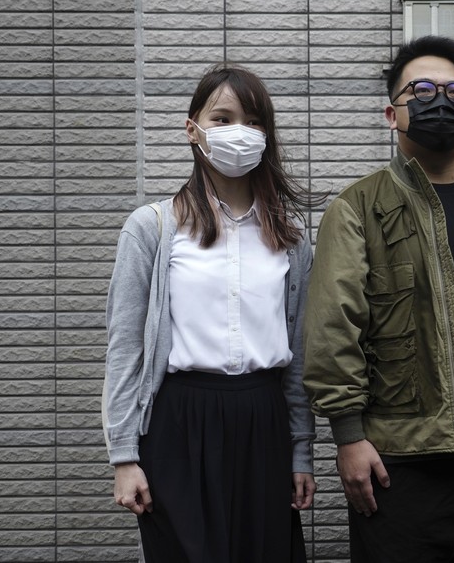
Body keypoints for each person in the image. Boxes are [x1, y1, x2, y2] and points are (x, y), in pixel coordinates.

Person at [302, 35, 454, 563]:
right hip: (403, 462)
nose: (440, 100)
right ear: (392, 114)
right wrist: (347, 437)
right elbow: (331, 330)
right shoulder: (357, 208)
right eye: (421, 89)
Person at [102, 63, 317, 562]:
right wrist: (124, 457)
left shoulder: (292, 238)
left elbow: (298, 358)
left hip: (264, 423)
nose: (237, 132)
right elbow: (125, 348)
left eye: (252, 120)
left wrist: (301, 450)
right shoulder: (152, 228)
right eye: (221, 118)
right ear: (192, 128)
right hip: (179, 422)